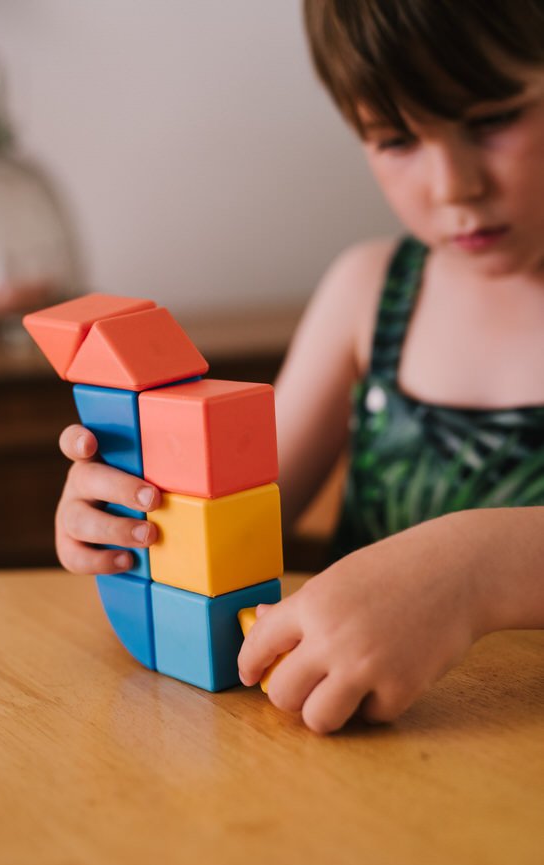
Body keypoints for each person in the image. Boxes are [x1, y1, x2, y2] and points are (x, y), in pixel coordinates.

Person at [54, 0, 544, 734]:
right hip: (350, 772)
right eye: (394, 138)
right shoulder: (369, 292)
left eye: (492, 119)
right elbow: (232, 504)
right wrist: (127, 509)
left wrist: (472, 573)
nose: (453, 187)